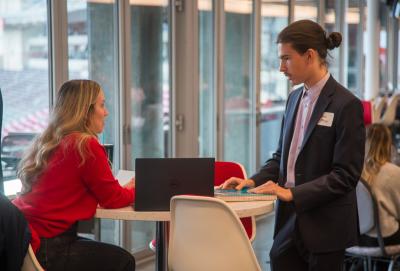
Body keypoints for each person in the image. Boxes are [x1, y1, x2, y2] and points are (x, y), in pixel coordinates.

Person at [220, 20, 365, 271]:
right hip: (289, 219)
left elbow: (346, 176)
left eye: (286, 59)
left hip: (326, 225)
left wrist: (293, 193)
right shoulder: (294, 98)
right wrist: (252, 181)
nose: (281, 68)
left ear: (309, 56)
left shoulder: (346, 105)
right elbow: (281, 158)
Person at [13, 80, 136, 271]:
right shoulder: (85, 145)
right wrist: (138, 189)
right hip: (49, 246)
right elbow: (112, 199)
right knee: (124, 261)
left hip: (26, 241)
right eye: (102, 105)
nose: (106, 112)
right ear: (85, 110)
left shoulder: (50, 141)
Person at [360, 123, 400, 247]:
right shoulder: (394, 172)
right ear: (389, 145)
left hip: (357, 237)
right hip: (385, 237)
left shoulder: (355, 171)